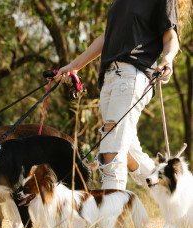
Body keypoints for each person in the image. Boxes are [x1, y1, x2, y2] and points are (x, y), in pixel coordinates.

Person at [54, 0, 191, 190]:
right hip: (109, 78)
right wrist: (74, 66)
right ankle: (177, 192)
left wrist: (167, 60)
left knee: (111, 152)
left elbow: (170, 36)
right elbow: (107, 36)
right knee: (127, 152)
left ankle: (110, 217)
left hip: (131, 76)